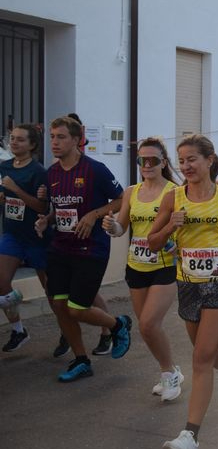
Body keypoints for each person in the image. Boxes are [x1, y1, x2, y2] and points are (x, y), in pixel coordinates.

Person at [149, 134, 218, 449]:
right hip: (187, 284)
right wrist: (169, 229)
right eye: (181, 161)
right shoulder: (173, 198)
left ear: (209, 160)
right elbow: (151, 243)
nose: (186, 166)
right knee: (204, 354)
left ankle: (190, 437)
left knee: (200, 360)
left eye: (192, 159)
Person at [34, 116, 130, 382]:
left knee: (77, 308)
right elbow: (61, 210)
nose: (54, 142)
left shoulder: (95, 169)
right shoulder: (50, 173)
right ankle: (81, 360)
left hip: (91, 249)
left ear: (77, 140)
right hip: (60, 247)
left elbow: (122, 200)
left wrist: (94, 215)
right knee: (59, 305)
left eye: (61, 137)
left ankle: (117, 324)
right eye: (52, 136)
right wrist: (46, 219)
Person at [101, 137, 183, 400]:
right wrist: (112, 226)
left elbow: (187, 228)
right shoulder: (131, 192)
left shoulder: (174, 192)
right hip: (136, 265)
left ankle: (170, 375)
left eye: (153, 160)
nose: (147, 165)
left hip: (164, 267)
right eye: (142, 160)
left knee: (148, 324)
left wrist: (176, 245)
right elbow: (122, 227)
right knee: (146, 326)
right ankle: (170, 370)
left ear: (163, 163)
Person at [0, 124, 51, 352]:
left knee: (51, 292)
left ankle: (66, 333)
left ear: (32, 145)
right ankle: (19, 330)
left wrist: (16, 191)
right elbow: (6, 198)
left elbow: (41, 206)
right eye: (12, 138)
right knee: (1, 282)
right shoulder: (4, 166)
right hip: (12, 234)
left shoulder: (39, 171)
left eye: (20, 140)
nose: (14, 143)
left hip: (37, 237)